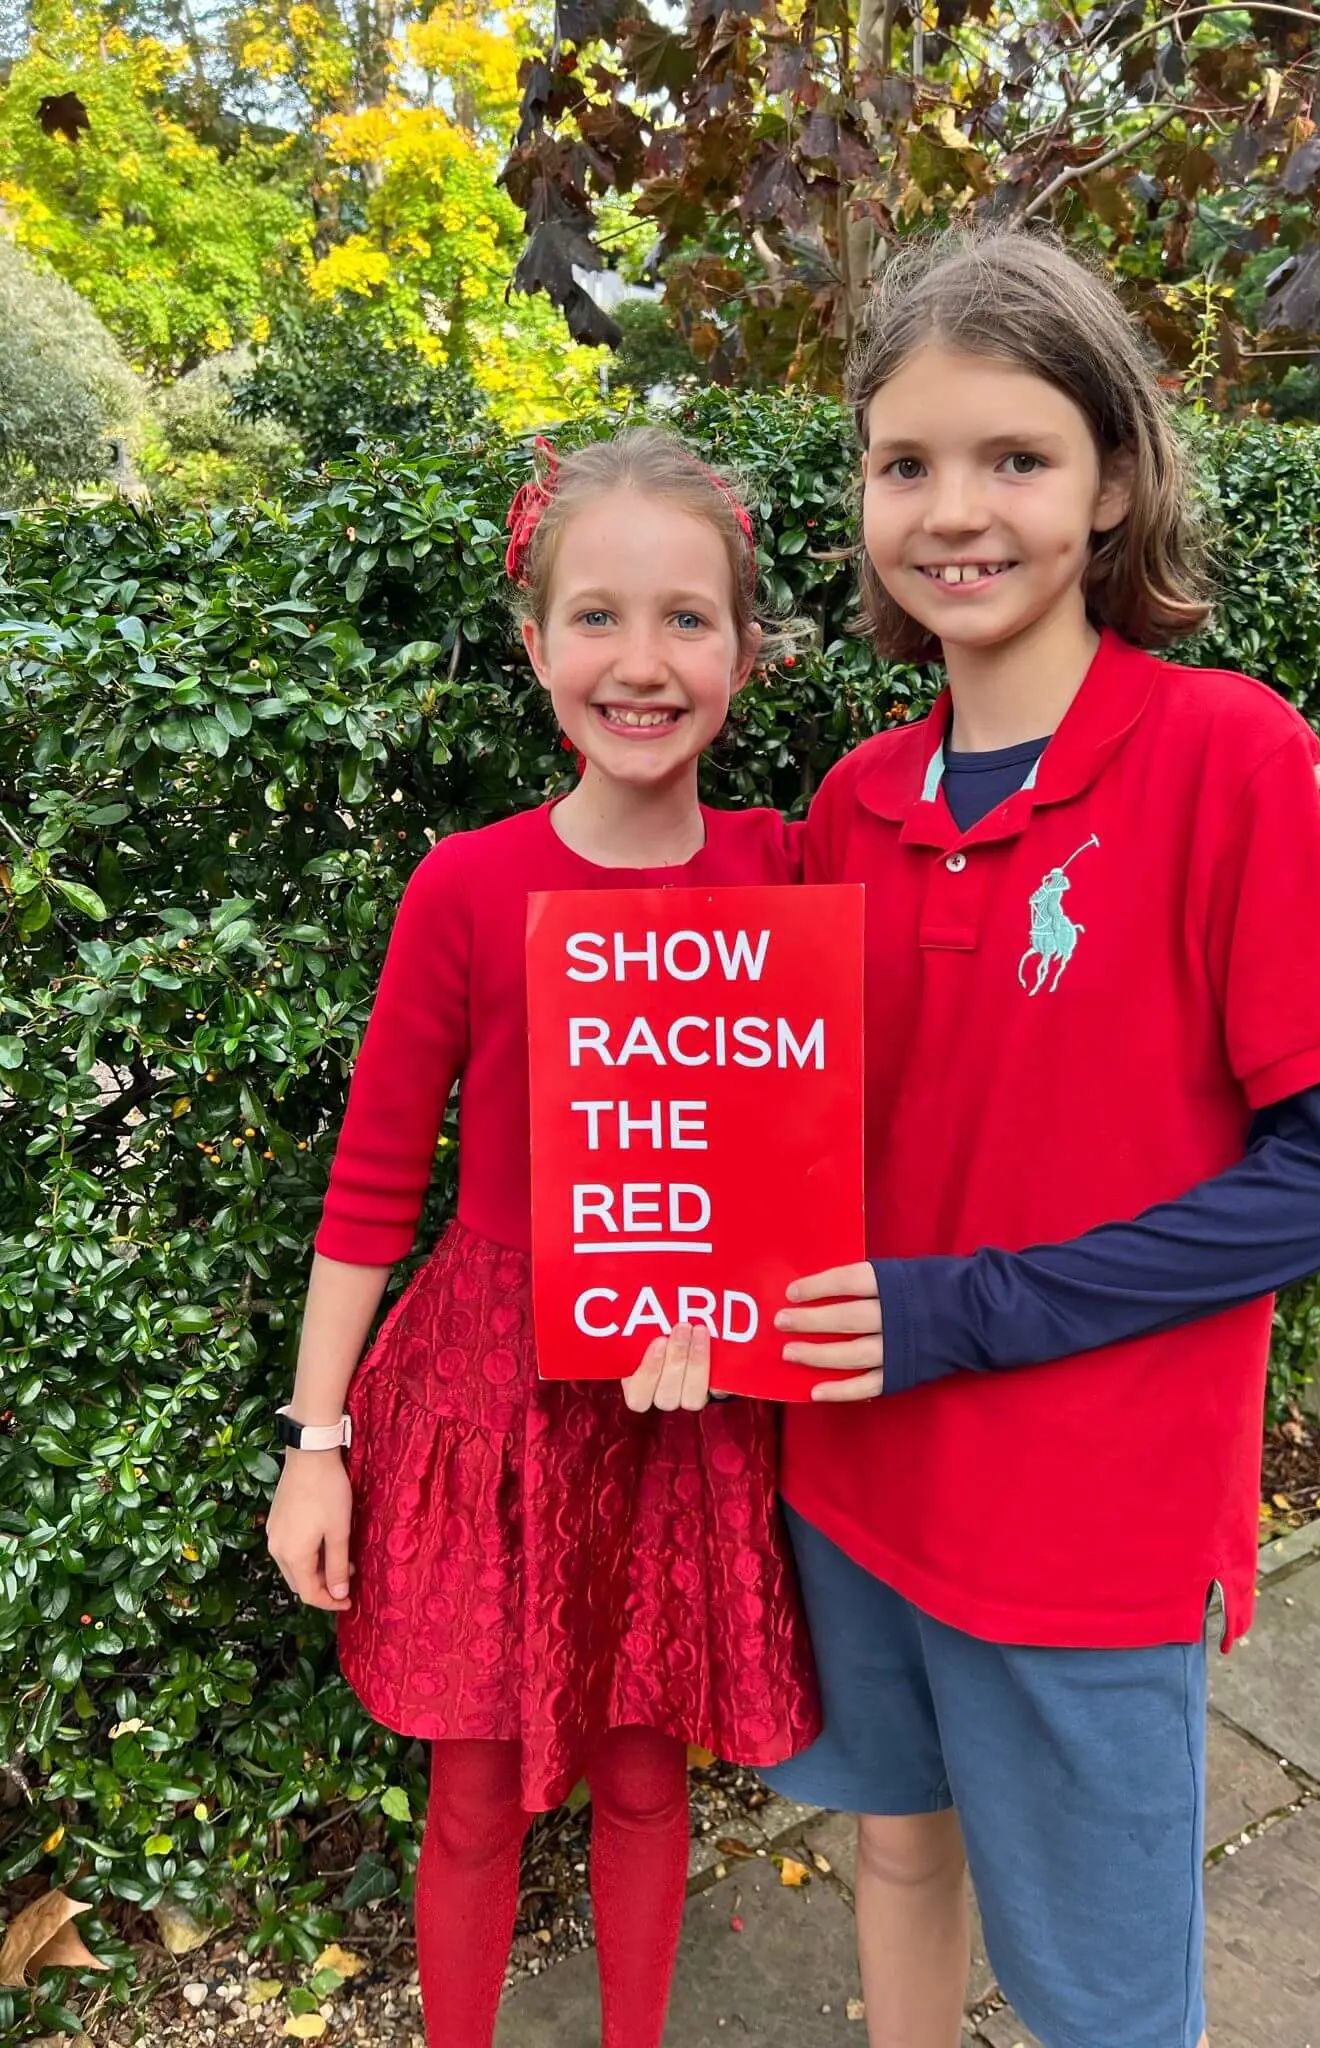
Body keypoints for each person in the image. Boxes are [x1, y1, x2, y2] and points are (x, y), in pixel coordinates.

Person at [644, 230, 1320, 2048]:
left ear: (1113, 479)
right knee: (898, 1860)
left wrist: (955, 1310)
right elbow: (764, 1101)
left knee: (1101, 1994)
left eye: (1016, 458)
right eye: (905, 463)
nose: (954, 511)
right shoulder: (854, 799)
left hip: (1085, 1528)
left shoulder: (1226, 759)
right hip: (851, 1478)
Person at [264, 428, 822, 2048]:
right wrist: (317, 1441)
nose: (639, 663)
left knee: (651, 1775)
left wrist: (1291, 835)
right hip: (496, 1405)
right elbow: (371, 1186)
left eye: (686, 620)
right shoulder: (468, 887)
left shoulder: (787, 865)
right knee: (479, 1793)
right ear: (534, 647)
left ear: (745, 649)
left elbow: (986, 934)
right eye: (595, 617)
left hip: (687, 1382)